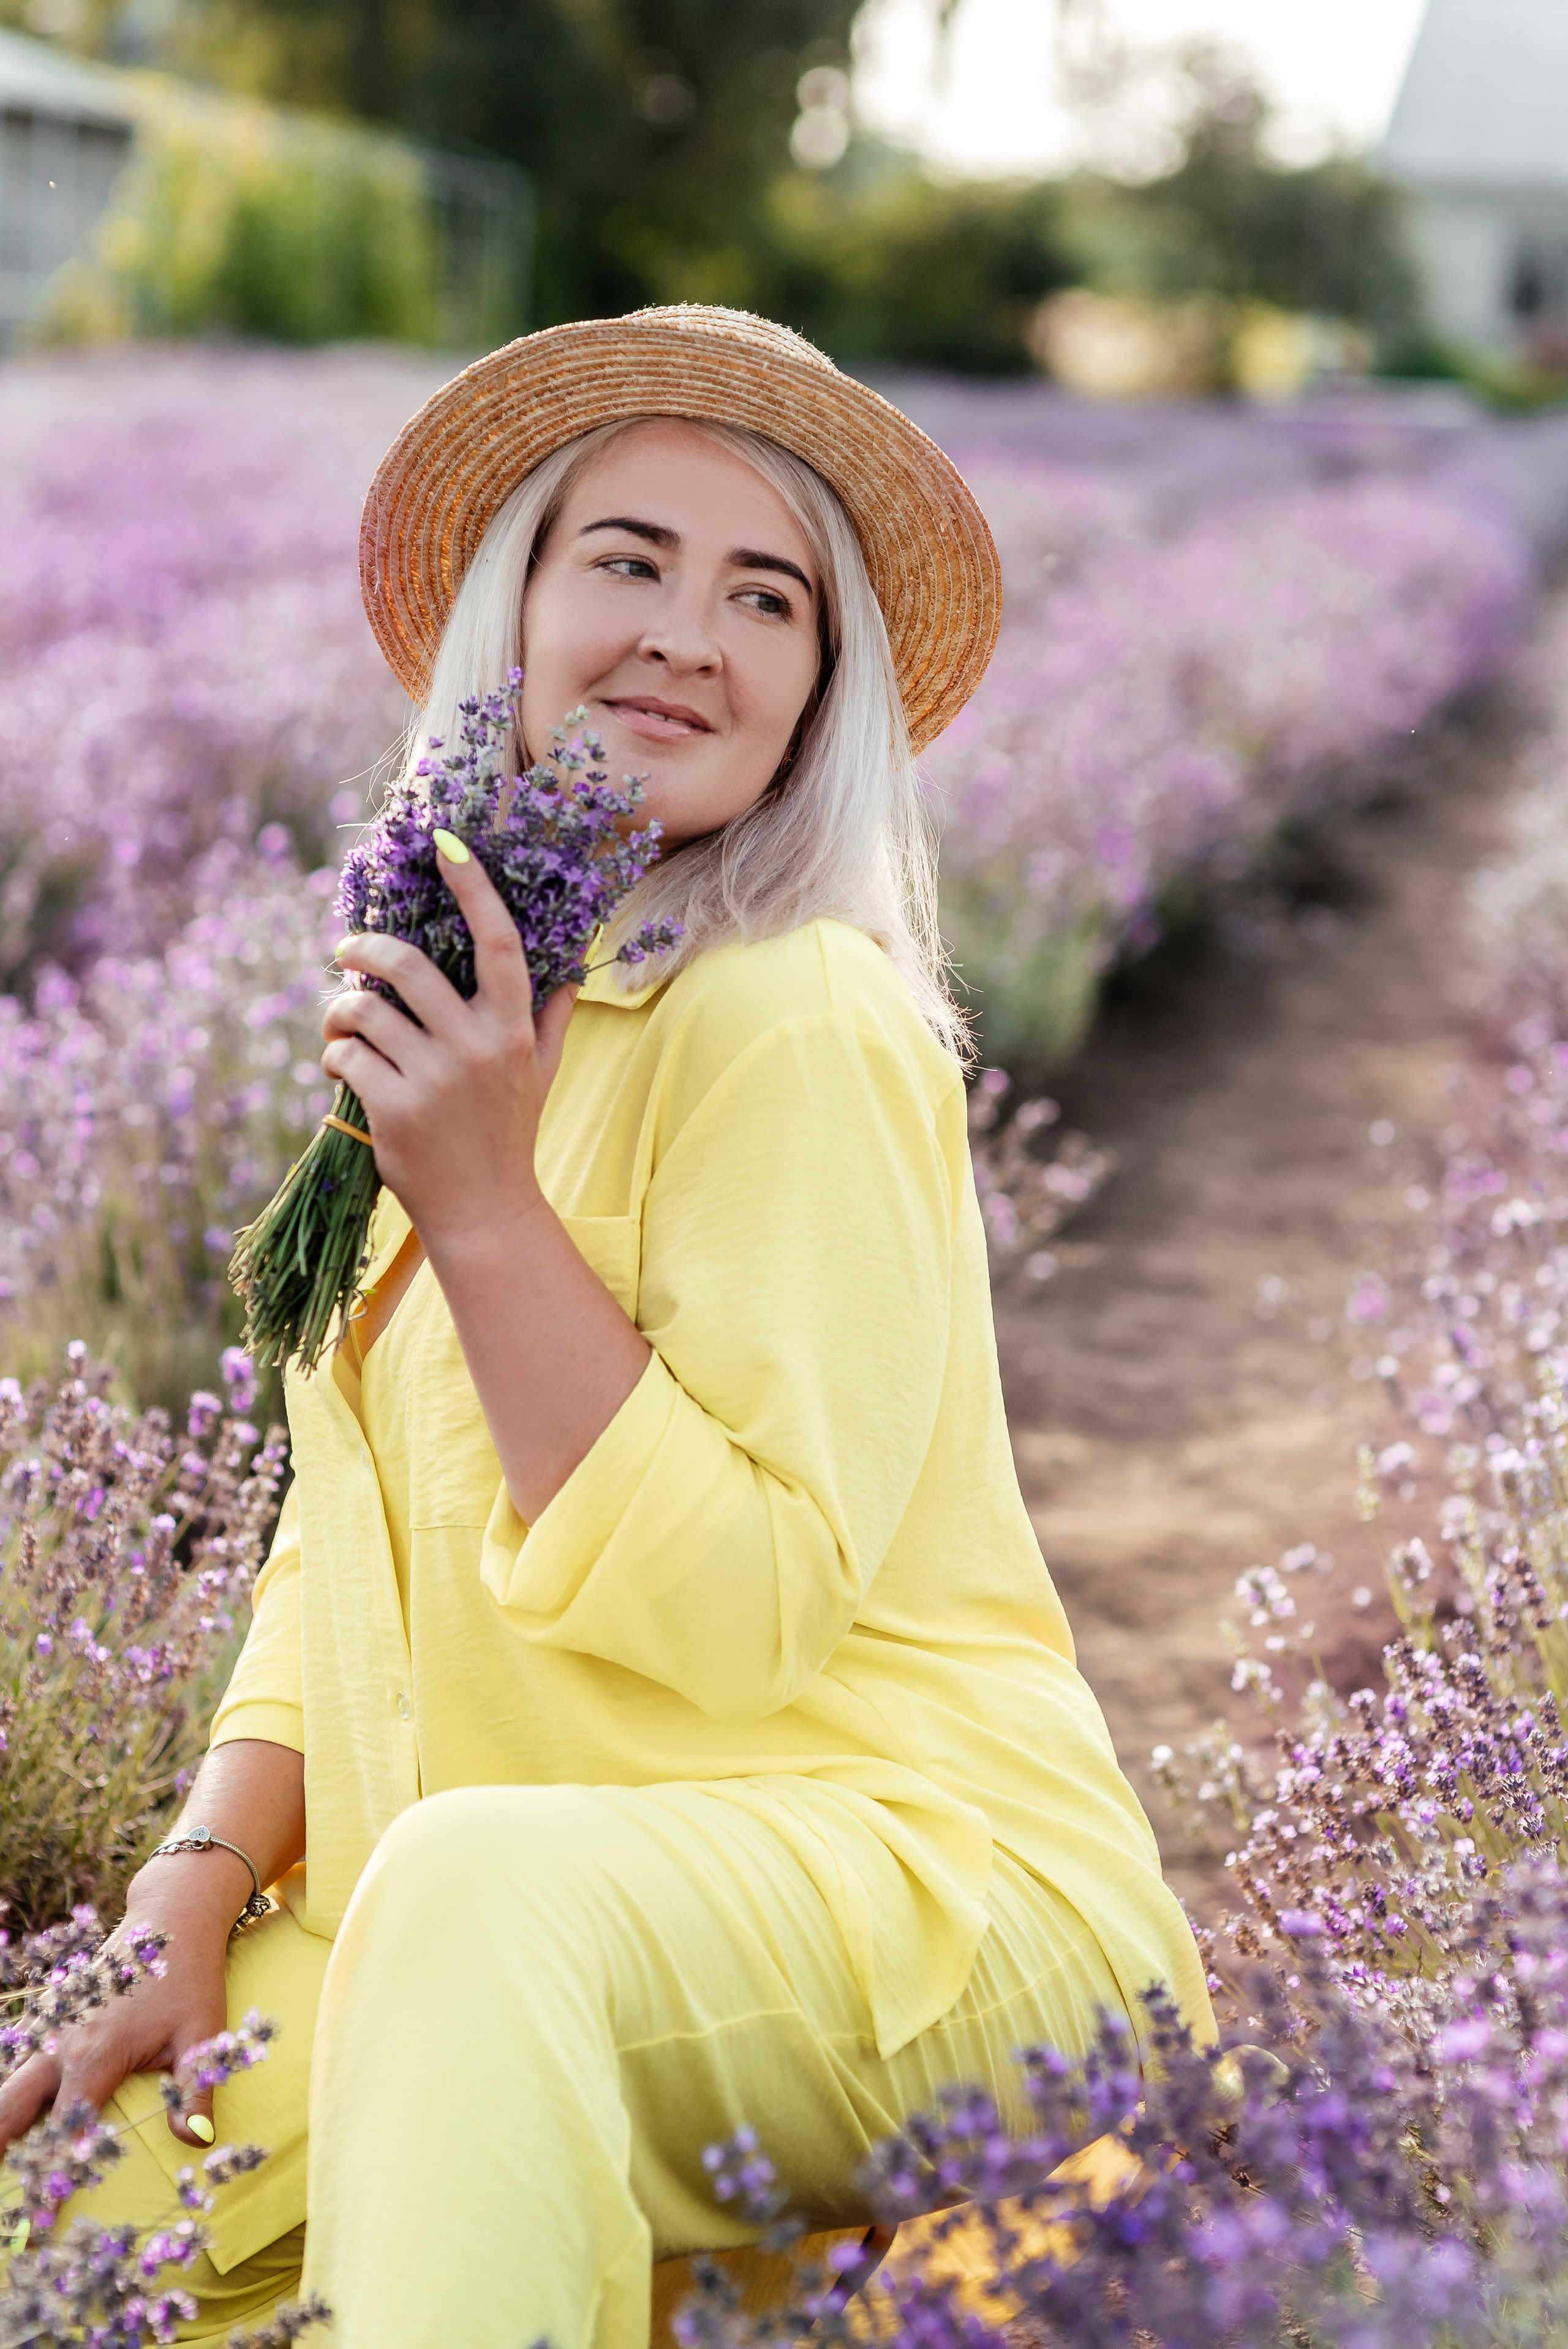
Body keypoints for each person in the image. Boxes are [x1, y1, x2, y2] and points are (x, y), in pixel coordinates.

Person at [0, 306, 1212, 2345]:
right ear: (519, 609)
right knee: (51, 2222)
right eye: (629, 560)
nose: (686, 637)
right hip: (468, 1914)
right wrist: (193, 1874)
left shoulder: (797, 1017)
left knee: (476, 1902)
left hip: (917, 1899)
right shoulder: (468, 991)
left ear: (817, 693)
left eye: (766, 597)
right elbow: (343, 1525)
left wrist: (486, 1208)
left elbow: (744, 1617)